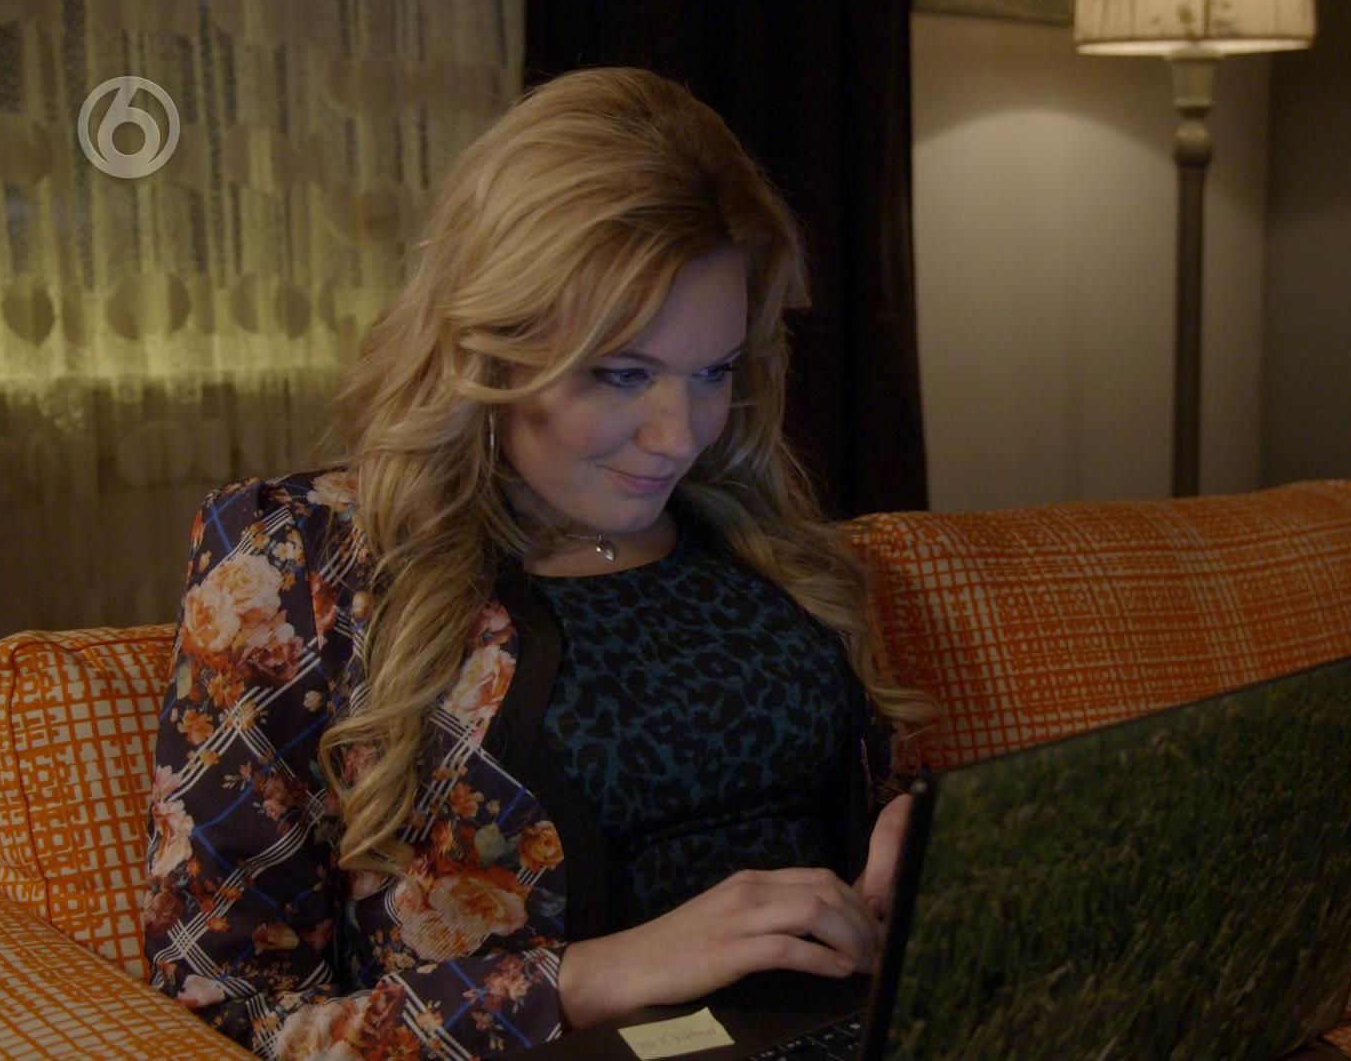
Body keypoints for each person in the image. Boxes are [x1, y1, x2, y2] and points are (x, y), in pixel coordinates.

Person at [142, 67, 930, 1061]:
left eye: (713, 370)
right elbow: (219, 1016)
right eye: (622, 374)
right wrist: (590, 978)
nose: (681, 433)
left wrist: (917, 838)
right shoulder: (301, 563)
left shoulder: (753, 533)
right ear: (490, 350)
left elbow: (851, 805)